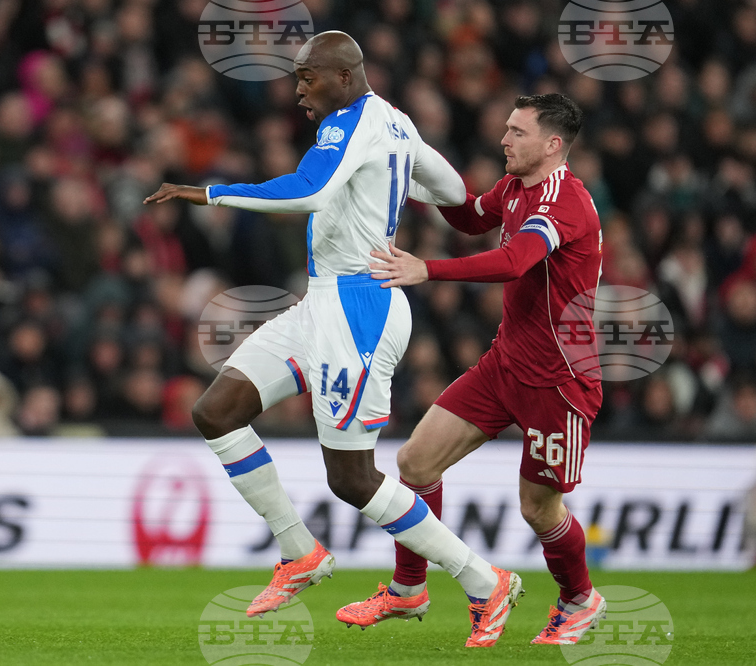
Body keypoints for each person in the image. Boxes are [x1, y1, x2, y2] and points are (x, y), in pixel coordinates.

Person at [144, 31, 524, 648]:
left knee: (350, 477)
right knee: (216, 411)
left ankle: (483, 580)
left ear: (344, 76)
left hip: (358, 308)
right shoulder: (396, 124)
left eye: (307, 78)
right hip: (321, 301)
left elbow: (309, 191)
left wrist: (208, 191)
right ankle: (299, 552)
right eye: (297, 79)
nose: (298, 91)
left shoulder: (350, 123)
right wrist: (420, 201)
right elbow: (455, 194)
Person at [344, 93, 606, 645]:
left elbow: (513, 262)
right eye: (506, 129)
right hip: (505, 363)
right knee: (415, 461)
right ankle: (408, 588)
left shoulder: (565, 202)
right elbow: (468, 218)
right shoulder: (513, 188)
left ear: (553, 144)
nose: (504, 140)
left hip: (560, 382)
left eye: (517, 132)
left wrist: (426, 270)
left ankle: (580, 599)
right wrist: (412, 170)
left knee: (538, 509)